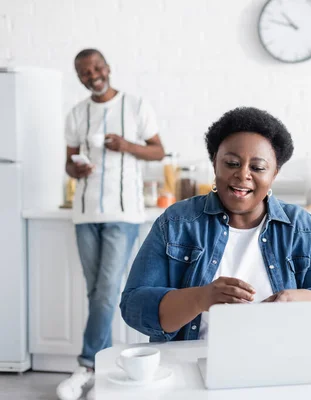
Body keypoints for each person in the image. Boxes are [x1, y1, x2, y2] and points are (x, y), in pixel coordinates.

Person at [120, 107, 311, 343]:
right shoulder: (177, 222)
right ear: (215, 163)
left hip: (279, 360)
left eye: (257, 168)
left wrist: (293, 299)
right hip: (191, 359)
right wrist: (200, 298)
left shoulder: (300, 227)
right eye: (231, 163)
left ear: (274, 173)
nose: (243, 175)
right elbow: (134, 305)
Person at [57, 49, 165, 400]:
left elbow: (158, 151)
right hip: (85, 213)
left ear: (108, 68)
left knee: (106, 292)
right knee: (96, 292)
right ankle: (103, 373)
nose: (93, 75)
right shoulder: (76, 113)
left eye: (97, 68)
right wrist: (77, 168)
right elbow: (68, 165)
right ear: (80, 77)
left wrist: (126, 145)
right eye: (84, 72)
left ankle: (87, 365)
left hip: (123, 214)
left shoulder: (135, 106)